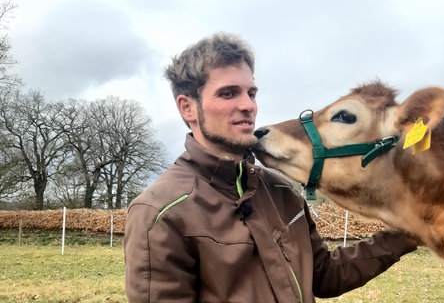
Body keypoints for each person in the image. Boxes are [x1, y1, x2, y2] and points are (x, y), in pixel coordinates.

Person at [124, 32, 418, 302]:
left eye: (250, 93)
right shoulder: (160, 212)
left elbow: (325, 275)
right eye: (228, 94)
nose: (248, 105)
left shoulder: (281, 191)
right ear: (188, 107)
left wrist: (406, 234)